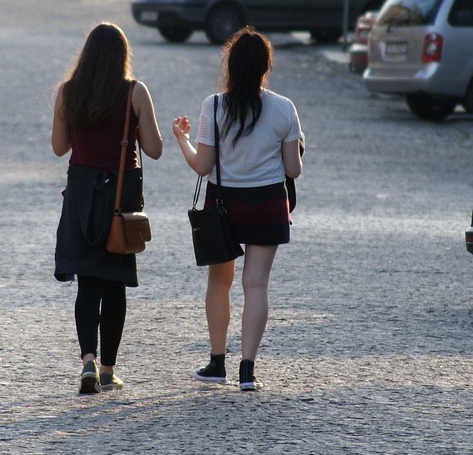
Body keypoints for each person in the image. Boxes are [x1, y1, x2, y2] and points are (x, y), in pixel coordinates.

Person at [172, 27, 303, 391]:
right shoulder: (283, 107)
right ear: (266, 66)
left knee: (219, 282)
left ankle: (217, 363)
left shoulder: (212, 106)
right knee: (256, 284)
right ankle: (248, 370)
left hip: (223, 202)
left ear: (230, 65)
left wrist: (181, 139)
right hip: (267, 202)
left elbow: (202, 165)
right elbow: (292, 170)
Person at [53, 23, 163, 394]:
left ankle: (86, 360)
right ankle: (107, 369)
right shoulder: (135, 92)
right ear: (123, 56)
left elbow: (58, 147)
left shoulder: (69, 92)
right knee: (115, 284)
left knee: (88, 284)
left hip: (82, 194)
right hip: (120, 198)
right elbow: (153, 149)